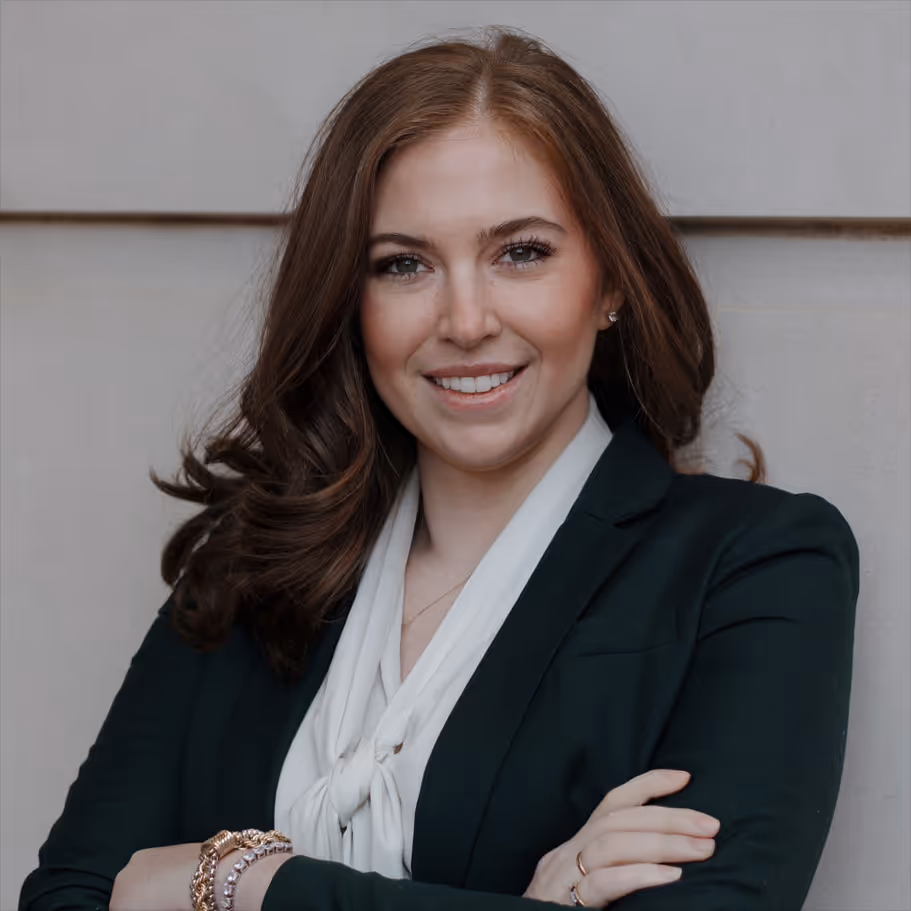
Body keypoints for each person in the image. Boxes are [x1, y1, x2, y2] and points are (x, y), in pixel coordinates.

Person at [19, 26, 859, 911]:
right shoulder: (249, 564)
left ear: (610, 279)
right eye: (403, 265)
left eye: (520, 252)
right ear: (351, 302)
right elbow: (68, 897)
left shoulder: (755, 566)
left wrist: (243, 882)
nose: (464, 321)